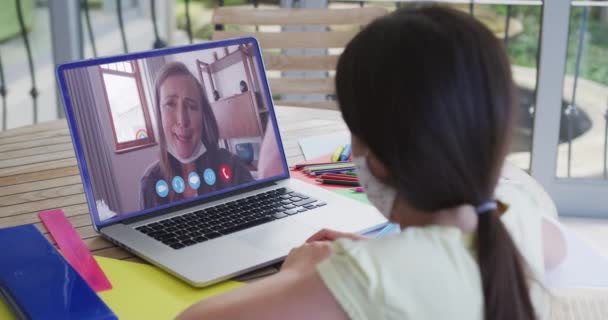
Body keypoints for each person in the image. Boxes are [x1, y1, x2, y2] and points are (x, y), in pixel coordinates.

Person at [177, 6, 549, 319]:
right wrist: (382, 254)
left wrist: (298, 276)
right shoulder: (517, 214)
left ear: (379, 161)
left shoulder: (370, 279)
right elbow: (546, 248)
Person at [140, 62, 253, 210]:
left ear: (203, 116)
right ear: (159, 115)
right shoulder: (150, 183)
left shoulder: (232, 167)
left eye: (192, 106)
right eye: (170, 104)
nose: (182, 120)